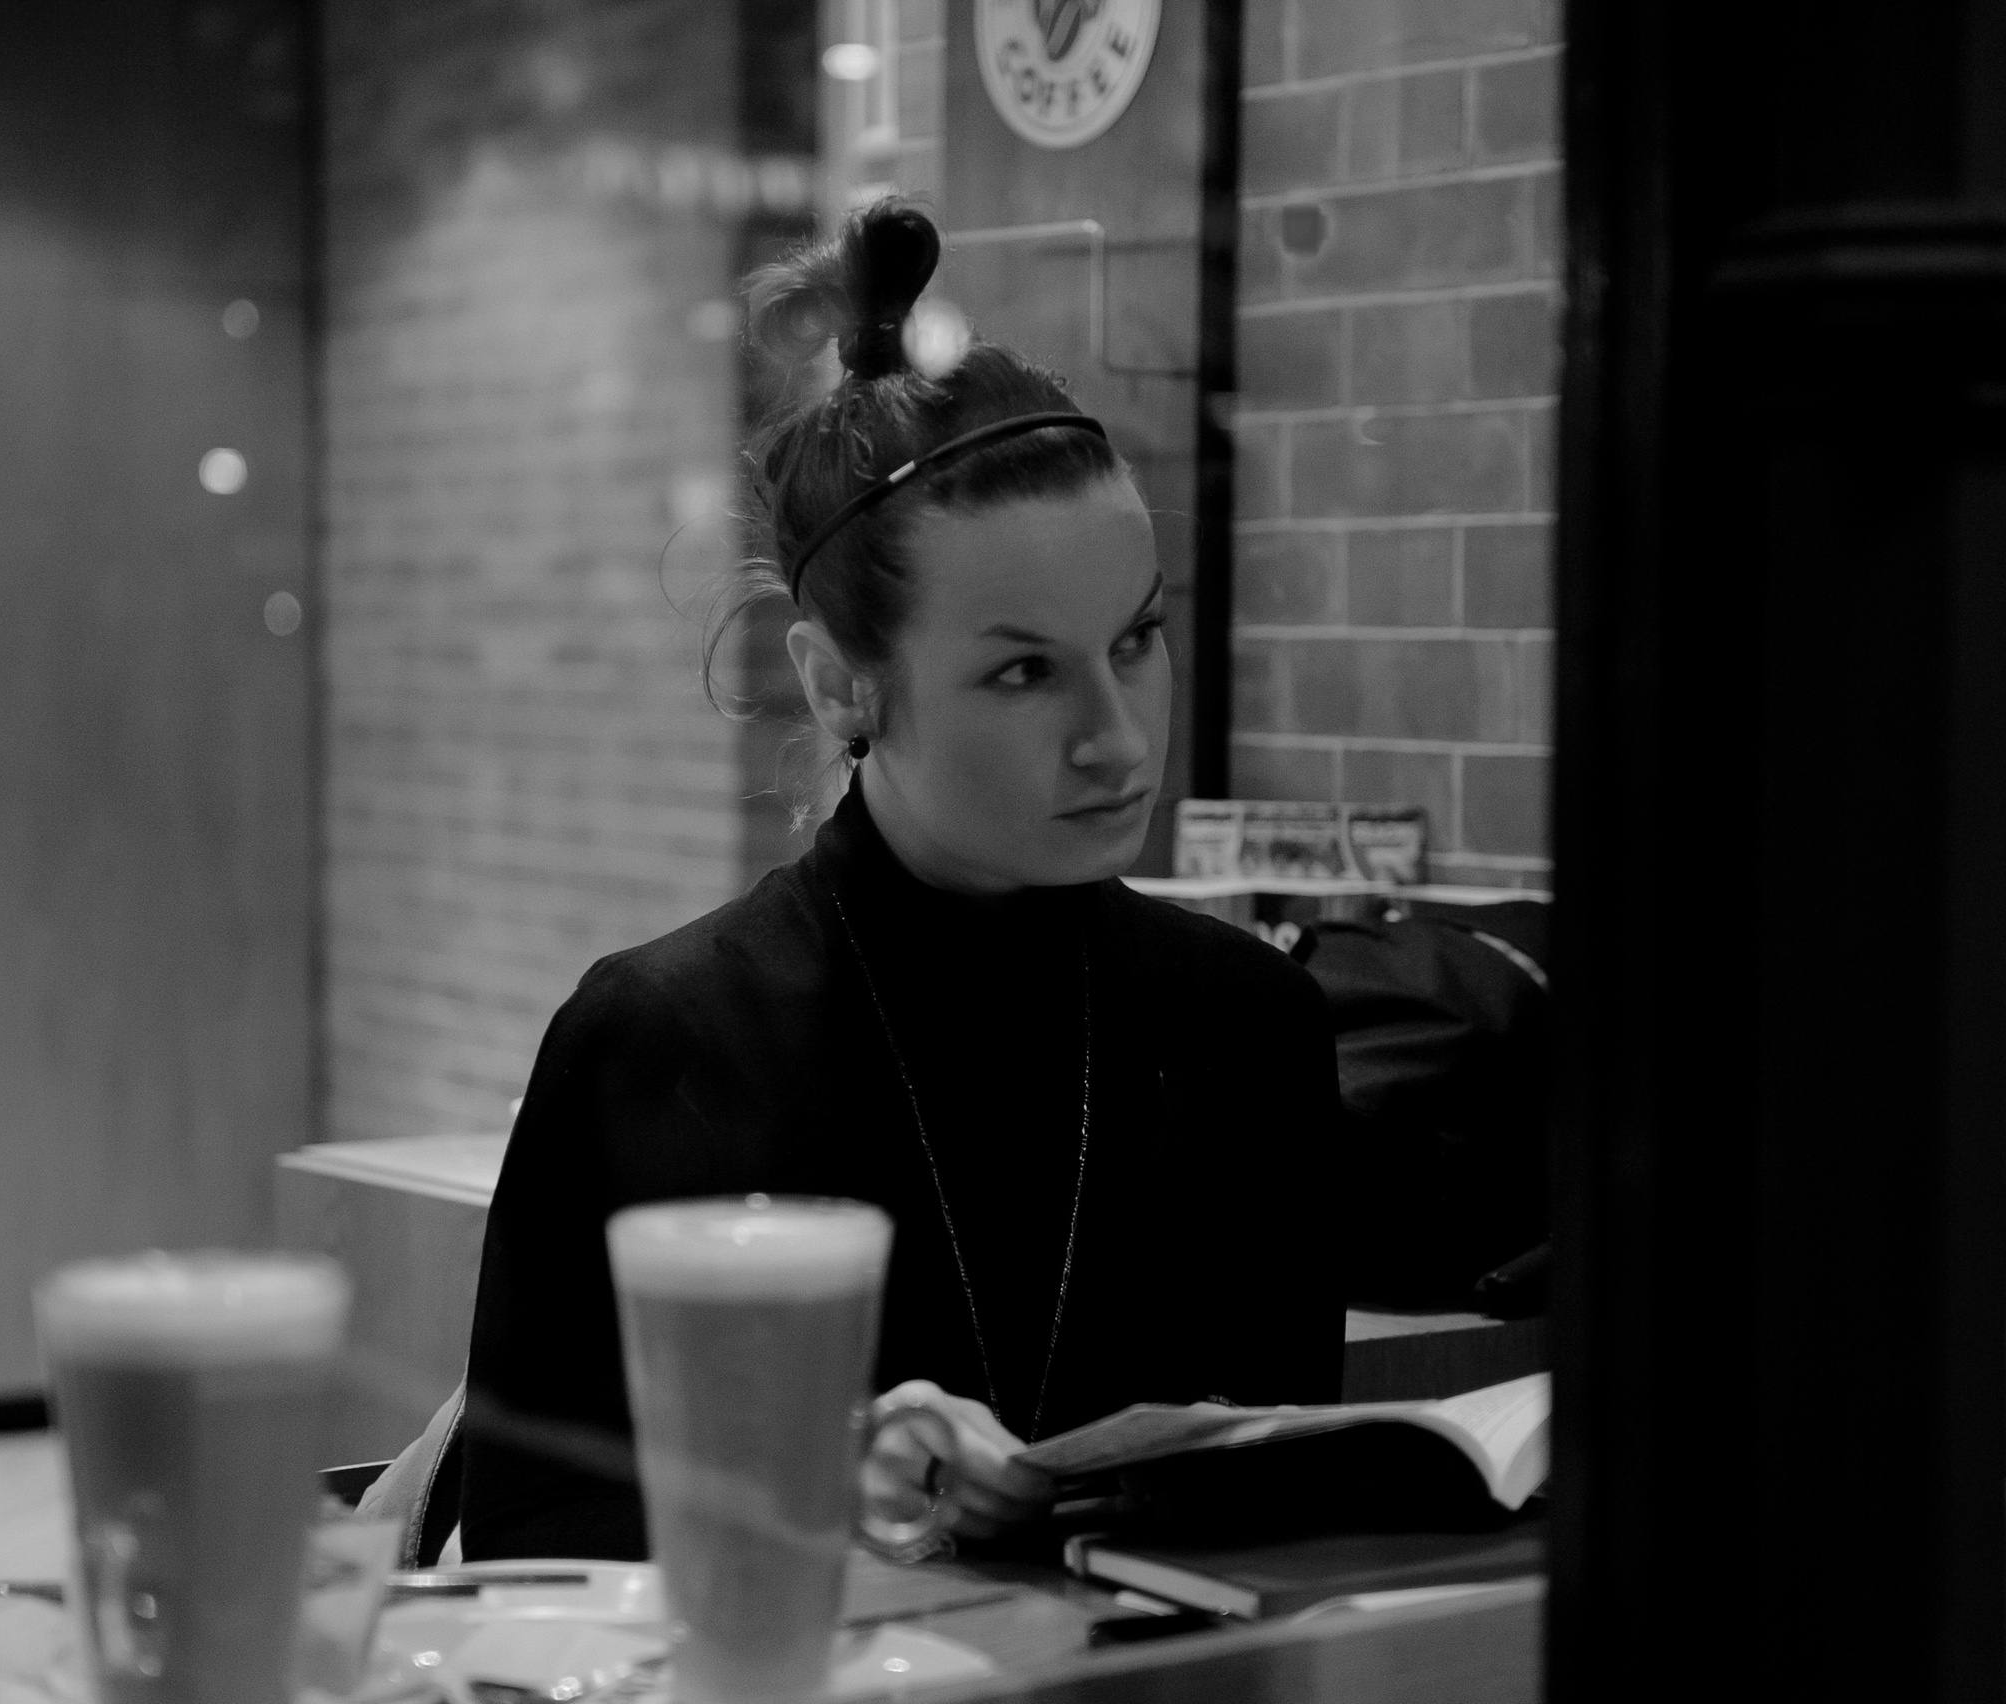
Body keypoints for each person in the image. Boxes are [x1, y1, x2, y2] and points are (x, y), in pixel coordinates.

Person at [454, 200, 1346, 1561]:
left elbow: (1283, 1507)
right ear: (838, 683)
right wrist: (834, 1495)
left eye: (1139, 640)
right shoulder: (663, 1039)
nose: (1117, 734)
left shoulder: (1247, 1025)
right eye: (1023, 670)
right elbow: (534, 1534)